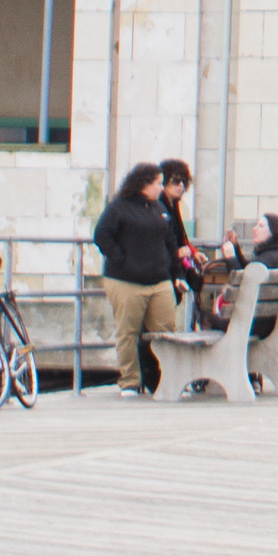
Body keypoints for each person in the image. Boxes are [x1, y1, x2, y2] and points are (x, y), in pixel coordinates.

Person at [94, 162, 183, 398]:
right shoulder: (119, 208)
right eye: (158, 183)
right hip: (126, 281)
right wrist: (121, 258)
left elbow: (171, 243)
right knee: (128, 332)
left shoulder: (159, 209)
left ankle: (169, 379)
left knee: (167, 331)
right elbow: (101, 234)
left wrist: (178, 274)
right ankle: (130, 382)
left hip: (159, 279)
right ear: (144, 184)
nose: (162, 187)